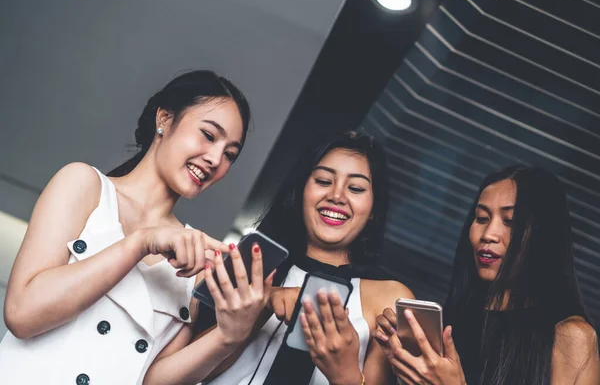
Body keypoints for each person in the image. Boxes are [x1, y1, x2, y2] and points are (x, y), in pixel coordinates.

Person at [0, 70, 273, 385]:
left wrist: (228, 336)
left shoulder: (196, 259)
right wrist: (140, 243)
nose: (215, 159)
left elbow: (151, 381)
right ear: (165, 119)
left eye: (230, 155)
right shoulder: (84, 186)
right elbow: (23, 314)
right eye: (209, 135)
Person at [192, 131, 414, 385]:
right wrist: (261, 305)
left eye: (355, 188)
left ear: (374, 209)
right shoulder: (250, 266)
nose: (337, 196)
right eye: (323, 181)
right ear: (301, 191)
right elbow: (185, 372)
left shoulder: (389, 297)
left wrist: (346, 371)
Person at [375, 165, 600, 385]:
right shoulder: (451, 326)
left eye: (510, 221)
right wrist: (402, 368)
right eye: (482, 218)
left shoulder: (570, 337)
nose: (489, 234)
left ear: (544, 236)